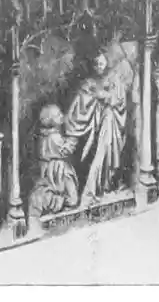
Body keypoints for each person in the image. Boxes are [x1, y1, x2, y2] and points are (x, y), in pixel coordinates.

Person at [64, 45, 134, 204]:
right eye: (96, 64)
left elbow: (119, 100)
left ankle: (106, 186)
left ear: (107, 62)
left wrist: (104, 96)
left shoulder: (114, 78)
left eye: (101, 63)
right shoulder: (89, 83)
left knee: (108, 150)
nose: (99, 67)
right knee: (99, 153)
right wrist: (93, 97)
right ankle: (94, 189)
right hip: (93, 129)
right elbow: (80, 105)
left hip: (111, 122)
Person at [29, 104, 81, 217]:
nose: (62, 115)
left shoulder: (45, 135)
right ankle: (65, 201)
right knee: (71, 191)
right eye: (58, 115)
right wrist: (73, 140)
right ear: (50, 120)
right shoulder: (54, 137)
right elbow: (65, 151)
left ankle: (61, 200)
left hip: (50, 170)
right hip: (59, 170)